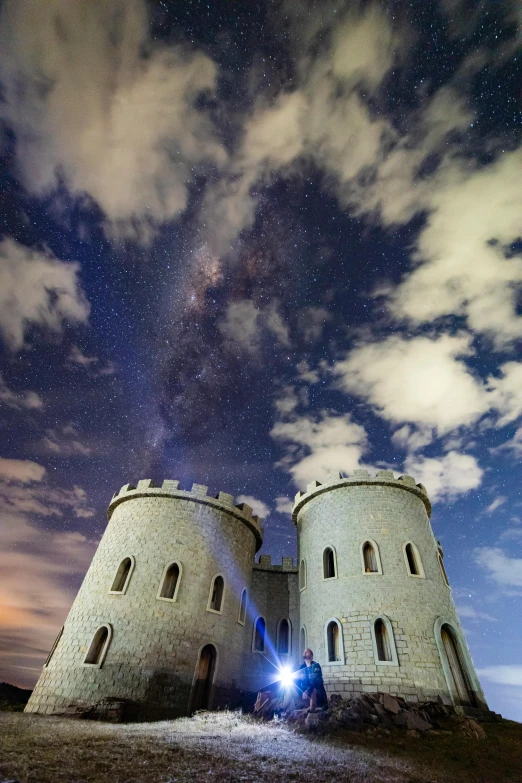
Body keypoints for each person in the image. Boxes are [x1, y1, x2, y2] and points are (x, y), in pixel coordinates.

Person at [295, 648, 327, 712]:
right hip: (305, 694)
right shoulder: (302, 667)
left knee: (313, 690)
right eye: (304, 652)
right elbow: (297, 681)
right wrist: (301, 692)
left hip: (317, 694)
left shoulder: (316, 666)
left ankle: (312, 712)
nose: (305, 652)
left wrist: (307, 690)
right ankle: (280, 709)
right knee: (290, 689)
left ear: (311, 656)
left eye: (307, 652)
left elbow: (315, 681)